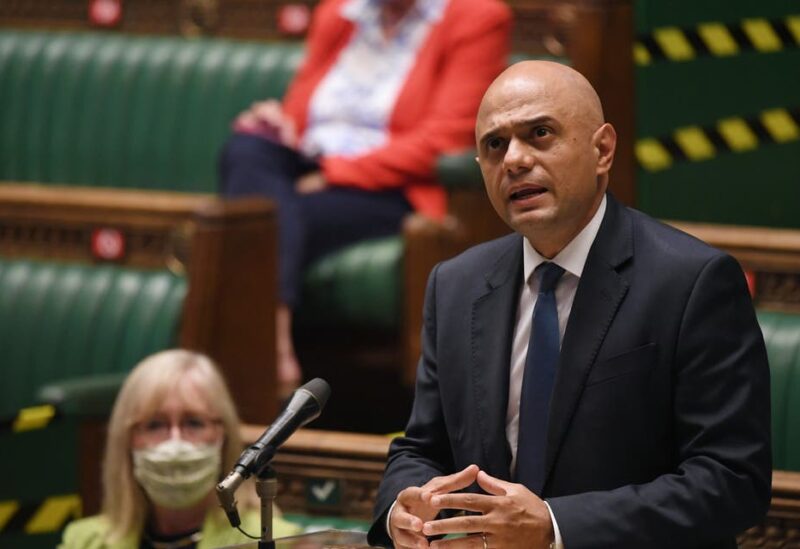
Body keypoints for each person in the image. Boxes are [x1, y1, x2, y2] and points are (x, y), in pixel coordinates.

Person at [367, 61, 772, 549]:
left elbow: (731, 481)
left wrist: (556, 528)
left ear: (602, 149)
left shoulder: (691, 282)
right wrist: (401, 510)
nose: (514, 159)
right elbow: (421, 448)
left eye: (539, 133)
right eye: (494, 145)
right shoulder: (455, 284)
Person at [219, 0, 512, 392]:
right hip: (311, 169)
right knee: (247, 149)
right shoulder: (338, 12)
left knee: (264, 217)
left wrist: (336, 172)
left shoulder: (476, 17)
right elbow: (301, 115)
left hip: (390, 188)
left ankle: (252, 355)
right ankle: (272, 340)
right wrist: (276, 124)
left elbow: (446, 141)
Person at [59, 350, 300, 549]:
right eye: (155, 425)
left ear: (222, 434)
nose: (175, 441)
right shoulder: (84, 541)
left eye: (193, 423)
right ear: (128, 439)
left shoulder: (275, 540)